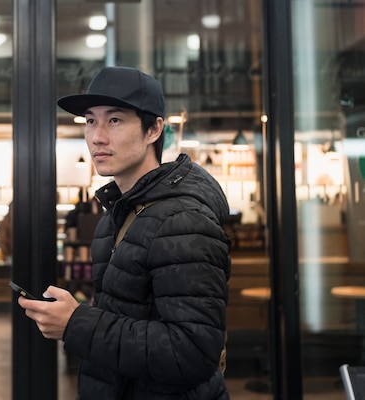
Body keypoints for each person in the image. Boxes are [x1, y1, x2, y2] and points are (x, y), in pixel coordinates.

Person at [17, 66, 231, 399]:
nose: (97, 136)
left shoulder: (184, 220)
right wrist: (78, 315)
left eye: (114, 120)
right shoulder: (114, 217)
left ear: (154, 130)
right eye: (90, 121)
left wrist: (77, 324)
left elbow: (192, 353)